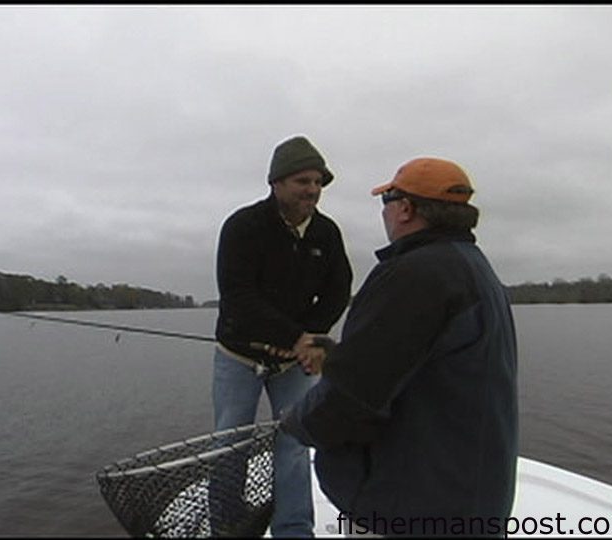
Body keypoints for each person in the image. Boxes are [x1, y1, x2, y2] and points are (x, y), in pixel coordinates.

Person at [281, 157, 518, 537]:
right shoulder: (473, 268)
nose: (385, 214)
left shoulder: (415, 274)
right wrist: (340, 355)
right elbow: (415, 363)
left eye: (386, 202)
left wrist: (296, 421)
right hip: (468, 497)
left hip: (414, 507)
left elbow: (351, 398)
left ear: (405, 208)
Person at [211, 135, 353, 537]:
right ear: (276, 183)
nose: (312, 190)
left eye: (318, 183)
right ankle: (226, 526)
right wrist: (295, 336)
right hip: (237, 355)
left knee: (293, 445)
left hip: (296, 362)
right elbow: (238, 296)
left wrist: (310, 338)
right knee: (228, 444)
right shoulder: (243, 226)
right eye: (302, 181)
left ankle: (294, 529)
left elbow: (338, 289)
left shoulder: (327, 233)